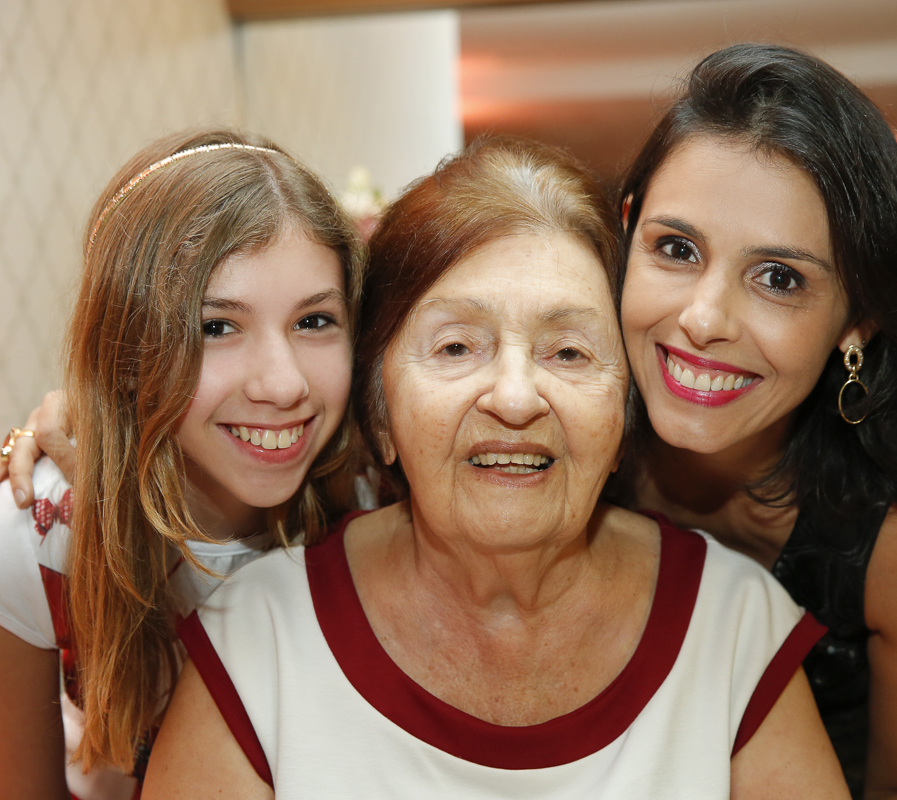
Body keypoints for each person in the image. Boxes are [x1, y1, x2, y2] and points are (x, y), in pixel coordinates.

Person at [141, 140, 849, 799]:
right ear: (379, 414)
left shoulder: (733, 631)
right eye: (455, 347)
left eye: (568, 352)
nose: (515, 398)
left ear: (625, 416)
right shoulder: (255, 640)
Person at [618, 44, 897, 798]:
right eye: (676, 248)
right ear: (626, 234)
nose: (702, 319)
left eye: (778, 278)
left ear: (857, 318)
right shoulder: (554, 440)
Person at [0, 128, 363, 800]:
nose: (283, 385)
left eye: (314, 321)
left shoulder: (384, 500)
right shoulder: (31, 547)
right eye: (215, 326)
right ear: (127, 342)